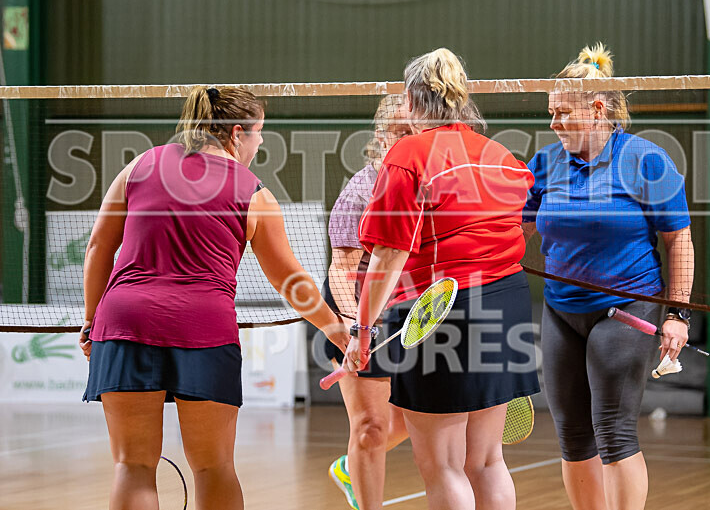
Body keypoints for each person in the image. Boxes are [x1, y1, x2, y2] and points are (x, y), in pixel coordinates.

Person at [79, 86, 349, 510]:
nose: (261, 142)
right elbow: (291, 282)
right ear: (238, 133)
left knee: (132, 466)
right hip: (203, 328)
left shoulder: (138, 166)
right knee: (213, 467)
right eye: (260, 133)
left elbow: (98, 247)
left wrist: (92, 321)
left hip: (125, 320)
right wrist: (340, 331)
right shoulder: (255, 193)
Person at [342, 48, 540, 510]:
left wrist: (363, 329)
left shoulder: (407, 155)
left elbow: (388, 254)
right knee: (488, 461)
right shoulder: (500, 155)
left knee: (443, 465)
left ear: (410, 102)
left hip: (440, 310)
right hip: (507, 301)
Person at [521, 43, 694, 510]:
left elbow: (679, 242)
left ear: (597, 108)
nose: (553, 123)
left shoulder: (646, 160)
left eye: (562, 112)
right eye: (550, 112)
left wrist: (677, 314)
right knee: (573, 436)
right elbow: (516, 231)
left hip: (627, 307)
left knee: (613, 432)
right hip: (561, 310)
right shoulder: (546, 163)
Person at [323, 94, 412, 510]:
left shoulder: (428, 182)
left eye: (417, 129)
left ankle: (348, 466)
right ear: (381, 136)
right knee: (371, 429)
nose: (411, 137)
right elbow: (340, 270)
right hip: (360, 311)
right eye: (401, 130)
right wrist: (352, 328)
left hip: (413, 313)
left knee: (415, 418)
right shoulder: (360, 190)